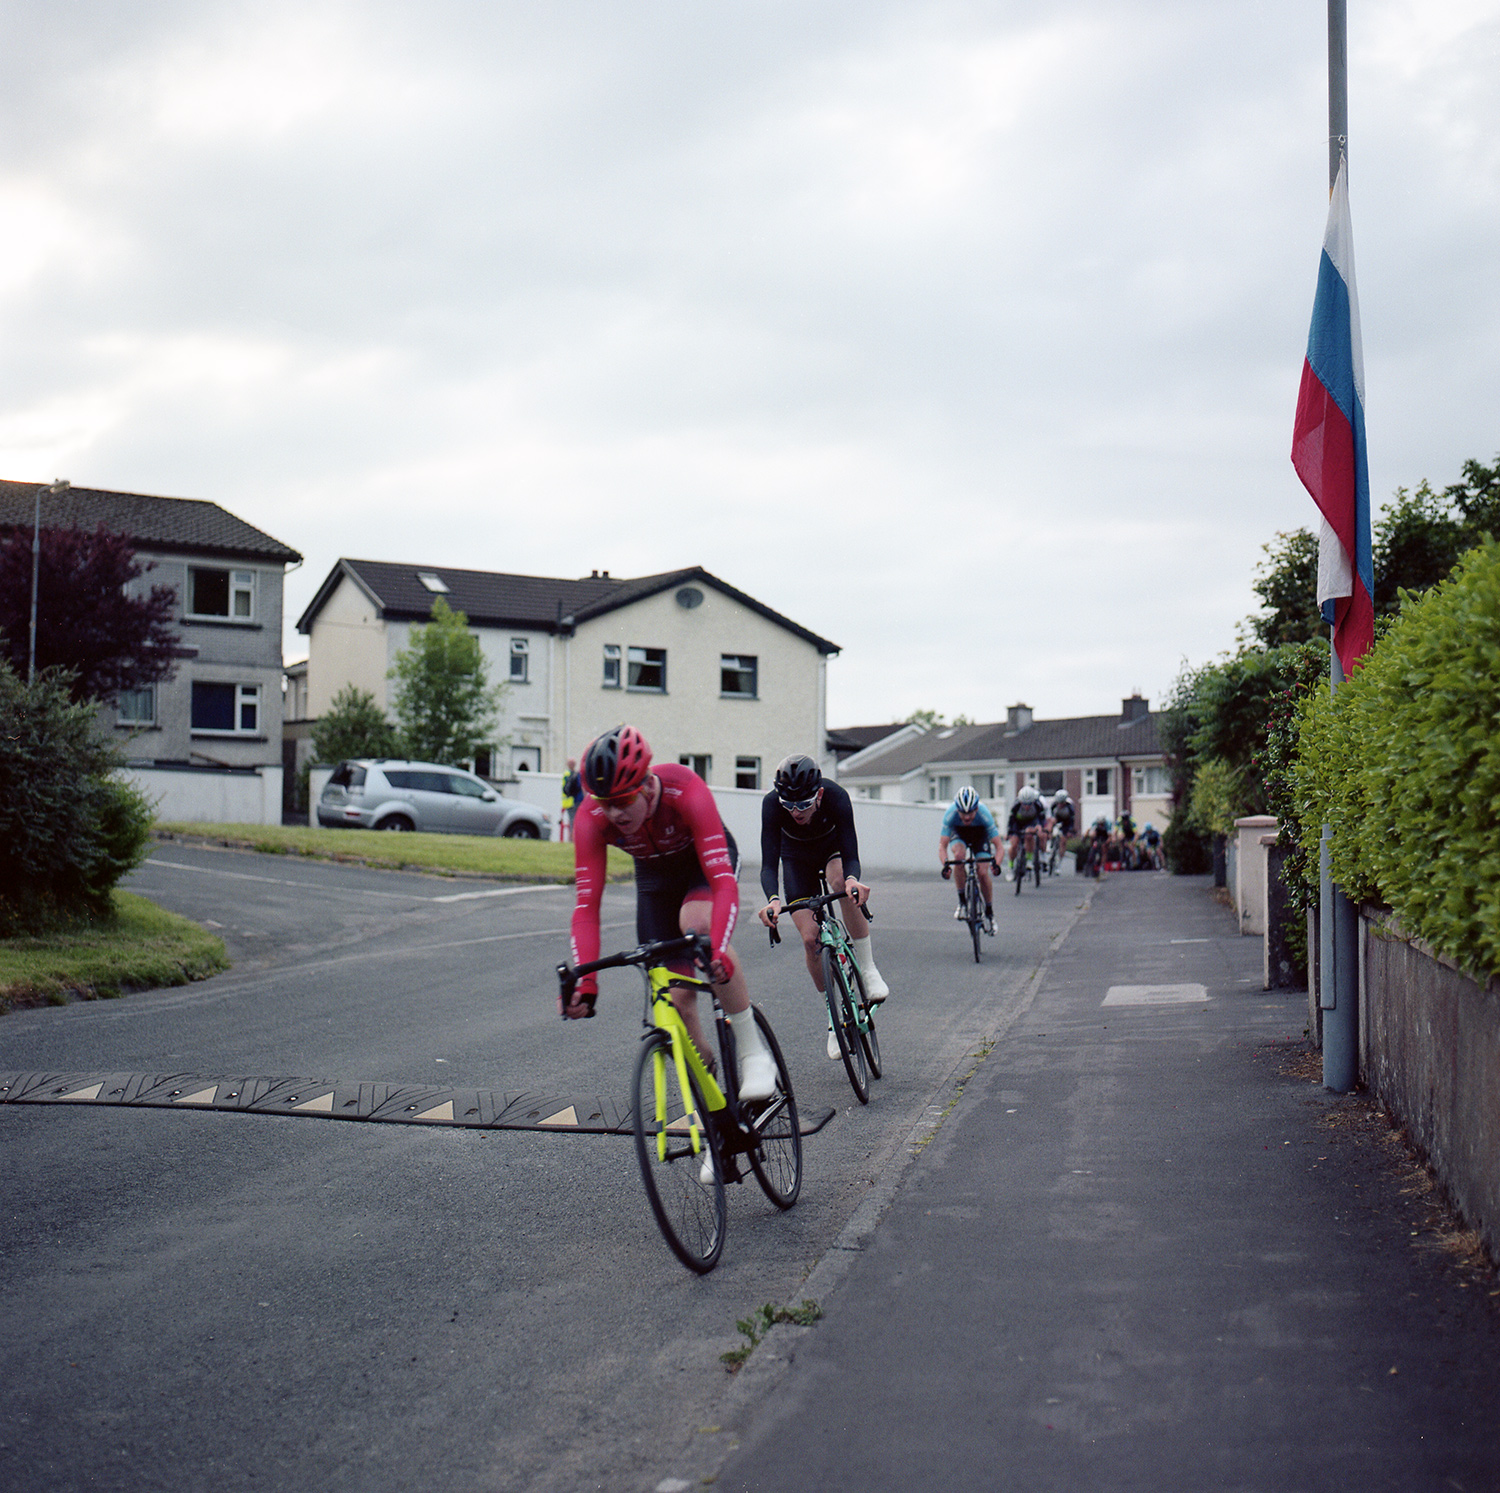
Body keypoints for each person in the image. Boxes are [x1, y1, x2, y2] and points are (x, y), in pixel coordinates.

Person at [561, 724, 776, 1102]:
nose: (612, 812)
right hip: (655, 879)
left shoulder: (684, 789)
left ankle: (752, 1050)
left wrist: (719, 949)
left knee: (695, 927)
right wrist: (586, 981)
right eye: (603, 801)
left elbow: (723, 884)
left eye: (622, 800)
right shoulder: (592, 817)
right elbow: (586, 908)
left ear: (645, 785)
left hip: (703, 864)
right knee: (674, 1002)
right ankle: (716, 1118)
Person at [755, 753, 888, 1062]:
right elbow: (768, 862)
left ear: (819, 795)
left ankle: (867, 969)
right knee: (810, 938)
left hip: (832, 852)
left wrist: (854, 880)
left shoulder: (837, 797)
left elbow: (851, 849)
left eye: (803, 805)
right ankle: (834, 1016)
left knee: (842, 880)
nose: (795, 813)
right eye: (789, 805)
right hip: (795, 860)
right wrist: (773, 899)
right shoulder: (772, 806)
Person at [938, 786, 1003, 926]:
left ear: (977, 809)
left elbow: (999, 847)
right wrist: (945, 865)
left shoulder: (984, 814)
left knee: (982, 872)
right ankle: (962, 902)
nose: (967, 817)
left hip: (980, 835)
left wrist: (996, 864)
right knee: (959, 856)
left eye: (971, 813)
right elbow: (942, 846)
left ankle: (989, 912)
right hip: (959, 834)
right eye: (962, 813)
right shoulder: (950, 814)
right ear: (957, 810)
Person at [1006, 784, 1048, 877]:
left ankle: (1029, 861)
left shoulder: (1037, 805)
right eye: (1024, 804)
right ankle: (1011, 866)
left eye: (1029, 804)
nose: (1027, 806)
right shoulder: (1016, 806)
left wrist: (1041, 828)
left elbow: (1042, 819)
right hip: (1018, 824)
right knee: (1014, 845)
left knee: (1029, 836)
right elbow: (1011, 821)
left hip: (1031, 823)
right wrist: (1009, 833)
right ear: (1020, 801)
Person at [559, 758, 582, 842]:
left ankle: (571, 839)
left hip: (568, 802)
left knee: (572, 821)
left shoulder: (566, 774)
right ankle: (573, 840)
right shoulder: (576, 774)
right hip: (575, 801)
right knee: (575, 822)